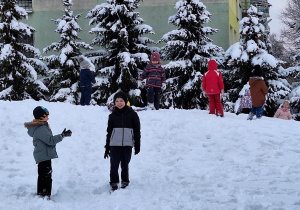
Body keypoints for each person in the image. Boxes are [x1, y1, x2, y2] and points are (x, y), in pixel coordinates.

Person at [24, 106, 72, 200]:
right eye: (46, 116)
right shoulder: (40, 128)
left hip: (43, 155)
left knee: (43, 175)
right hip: (44, 155)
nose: (48, 118)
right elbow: (50, 141)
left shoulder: (40, 126)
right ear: (41, 117)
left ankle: (42, 193)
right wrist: (62, 136)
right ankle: (45, 195)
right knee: (46, 176)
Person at [104, 91, 141, 191]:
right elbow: (109, 132)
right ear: (114, 102)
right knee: (114, 164)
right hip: (114, 144)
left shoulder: (133, 115)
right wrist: (107, 147)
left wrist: (137, 145)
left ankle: (125, 180)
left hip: (127, 144)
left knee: (125, 163)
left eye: (121, 101)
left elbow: (137, 131)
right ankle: (114, 182)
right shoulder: (112, 116)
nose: (119, 103)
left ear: (125, 102)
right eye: (117, 101)